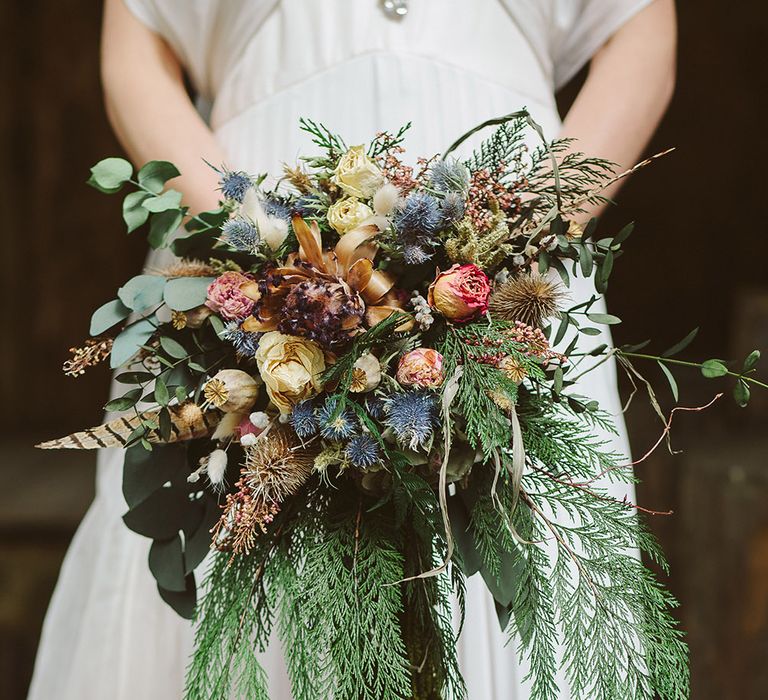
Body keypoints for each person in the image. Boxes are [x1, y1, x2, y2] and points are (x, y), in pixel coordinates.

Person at [28, 1, 676, 698]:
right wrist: (250, 244)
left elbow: (639, 25)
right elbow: (137, 39)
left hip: (514, 244)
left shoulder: (520, 239)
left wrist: (532, 224)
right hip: (253, 231)